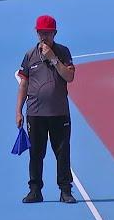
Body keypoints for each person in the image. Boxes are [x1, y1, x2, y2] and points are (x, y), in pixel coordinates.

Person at [15, 15, 77, 204]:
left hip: (59, 113)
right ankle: (35, 190)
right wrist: (18, 111)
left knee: (62, 152)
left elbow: (69, 77)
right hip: (35, 114)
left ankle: (65, 190)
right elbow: (23, 84)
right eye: (41, 33)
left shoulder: (63, 52)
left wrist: (53, 58)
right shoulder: (29, 55)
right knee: (36, 154)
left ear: (54, 33)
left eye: (47, 33)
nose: (44, 37)